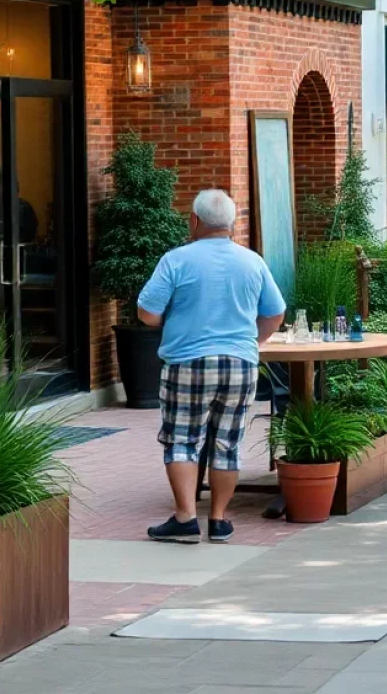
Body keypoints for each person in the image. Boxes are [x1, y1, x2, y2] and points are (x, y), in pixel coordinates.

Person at [137, 189, 286, 543]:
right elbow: (276, 312)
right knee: (227, 442)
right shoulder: (253, 261)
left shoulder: (175, 260)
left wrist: (170, 321)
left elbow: (146, 313)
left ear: (194, 221)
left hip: (187, 361)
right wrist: (254, 341)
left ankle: (186, 518)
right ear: (233, 224)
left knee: (182, 440)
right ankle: (219, 520)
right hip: (240, 364)